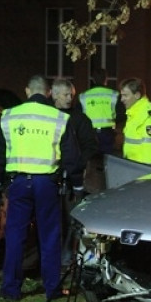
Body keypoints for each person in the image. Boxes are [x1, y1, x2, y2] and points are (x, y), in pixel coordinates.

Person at [0, 75, 85, 302]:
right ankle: (52, 288)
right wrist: (77, 185)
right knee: (49, 236)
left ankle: (11, 289)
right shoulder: (59, 118)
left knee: (15, 236)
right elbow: (72, 157)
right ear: (49, 92)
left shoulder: (9, 116)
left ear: (27, 91)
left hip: (18, 183)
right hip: (47, 185)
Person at [51, 77, 97, 268]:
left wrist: (78, 165)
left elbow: (90, 146)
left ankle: (67, 257)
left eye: (71, 95)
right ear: (54, 95)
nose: (70, 98)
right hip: (49, 175)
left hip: (71, 178)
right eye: (65, 95)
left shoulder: (80, 119)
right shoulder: (47, 116)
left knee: (70, 220)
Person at [79, 68, 122, 192]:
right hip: (107, 134)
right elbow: (121, 114)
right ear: (106, 79)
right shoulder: (114, 94)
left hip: (90, 134)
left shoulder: (84, 96)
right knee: (107, 162)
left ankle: (89, 188)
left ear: (93, 79)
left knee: (90, 162)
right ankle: (106, 188)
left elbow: (79, 115)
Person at [119, 77, 151, 165]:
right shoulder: (134, 113)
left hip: (141, 171)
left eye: (125, 95)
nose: (122, 99)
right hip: (133, 168)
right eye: (122, 95)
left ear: (137, 95)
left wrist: (143, 172)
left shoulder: (149, 116)